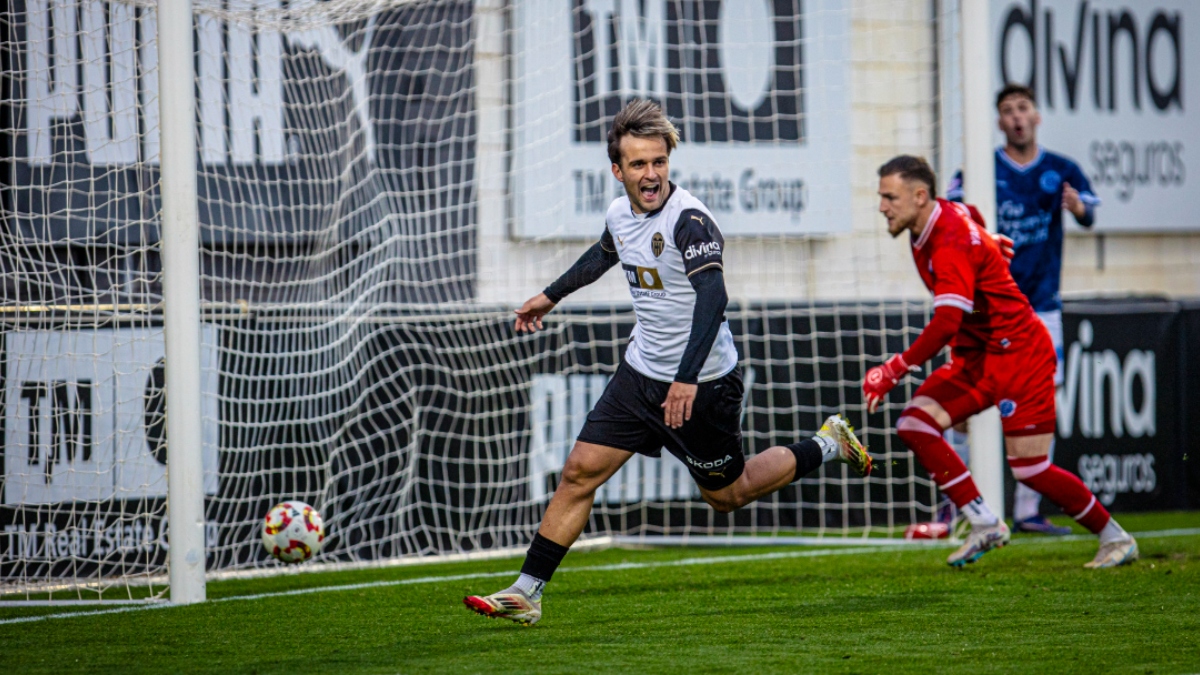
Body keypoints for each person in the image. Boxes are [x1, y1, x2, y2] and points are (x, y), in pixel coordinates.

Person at [463, 100, 873, 625]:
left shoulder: (691, 221)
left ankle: (827, 443)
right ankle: (528, 591)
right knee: (578, 472)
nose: (650, 174)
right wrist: (550, 295)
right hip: (640, 376)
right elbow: (606, 253)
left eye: (658, 162)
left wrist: (685, 381)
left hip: (703, 383)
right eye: (638, 165)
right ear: (618, 170)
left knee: (728, 495)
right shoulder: (618, 212)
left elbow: (713, 297)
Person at [864, 154, 1136, 568]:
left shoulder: (948, 241)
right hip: (978, 356)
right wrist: (988, 238)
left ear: (920, 196)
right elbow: (968, 212)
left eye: (889, 197)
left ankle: (1114, 537)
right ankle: (984, 522)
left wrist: (894, 368)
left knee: (1029, 468)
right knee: (915, 424)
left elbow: (946, 322)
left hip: (1020, 356)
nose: (882, 206)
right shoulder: (944, 215)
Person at [942, 83, 1101, 536]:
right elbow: (948, 209)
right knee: (964, 402)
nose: (1016, 117)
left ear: (1036, 116)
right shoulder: (980, 168)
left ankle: (1028, 511)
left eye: (1023, 108)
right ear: (998, 121)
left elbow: (1090, 212)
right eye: (1008, 110)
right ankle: (956, 506)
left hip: (1042, 308)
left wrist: (1078, 208)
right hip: (990, 309)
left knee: (1041, 401)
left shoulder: (1061, 169)